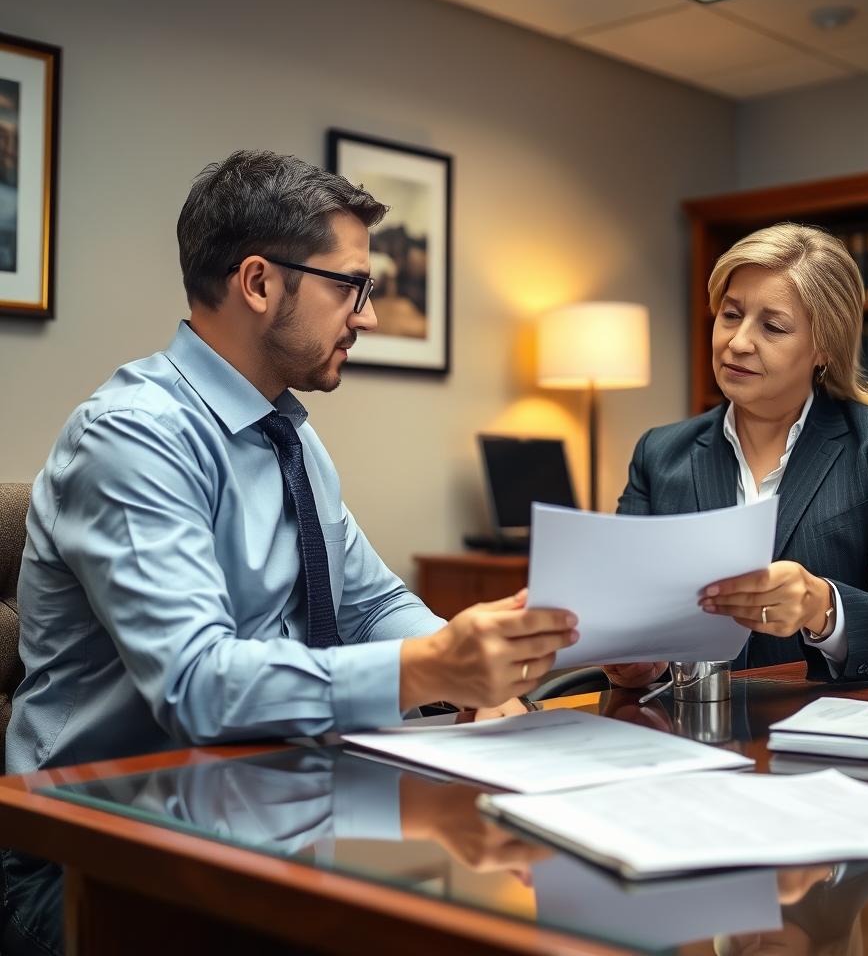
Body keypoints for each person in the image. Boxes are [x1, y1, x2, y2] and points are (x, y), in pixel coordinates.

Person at [7, 149, 578, 782]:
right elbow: (195, 685)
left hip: (270, 789)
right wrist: (429, 668)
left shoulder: (289, 437)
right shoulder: (134, 436)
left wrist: (474, 674)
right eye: (348, 287)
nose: (368, 316)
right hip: (106, 816)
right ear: (258, 283)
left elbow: (372, 606)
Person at [605, 222, 868, 688]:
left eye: (772, 327)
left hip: (828, 719)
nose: (738, 342)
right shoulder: (659, 453)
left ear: (824, 347)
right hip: (691, 720)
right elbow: (625, 614)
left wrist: (821, 606)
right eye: (731, 315)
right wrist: (635, 661)